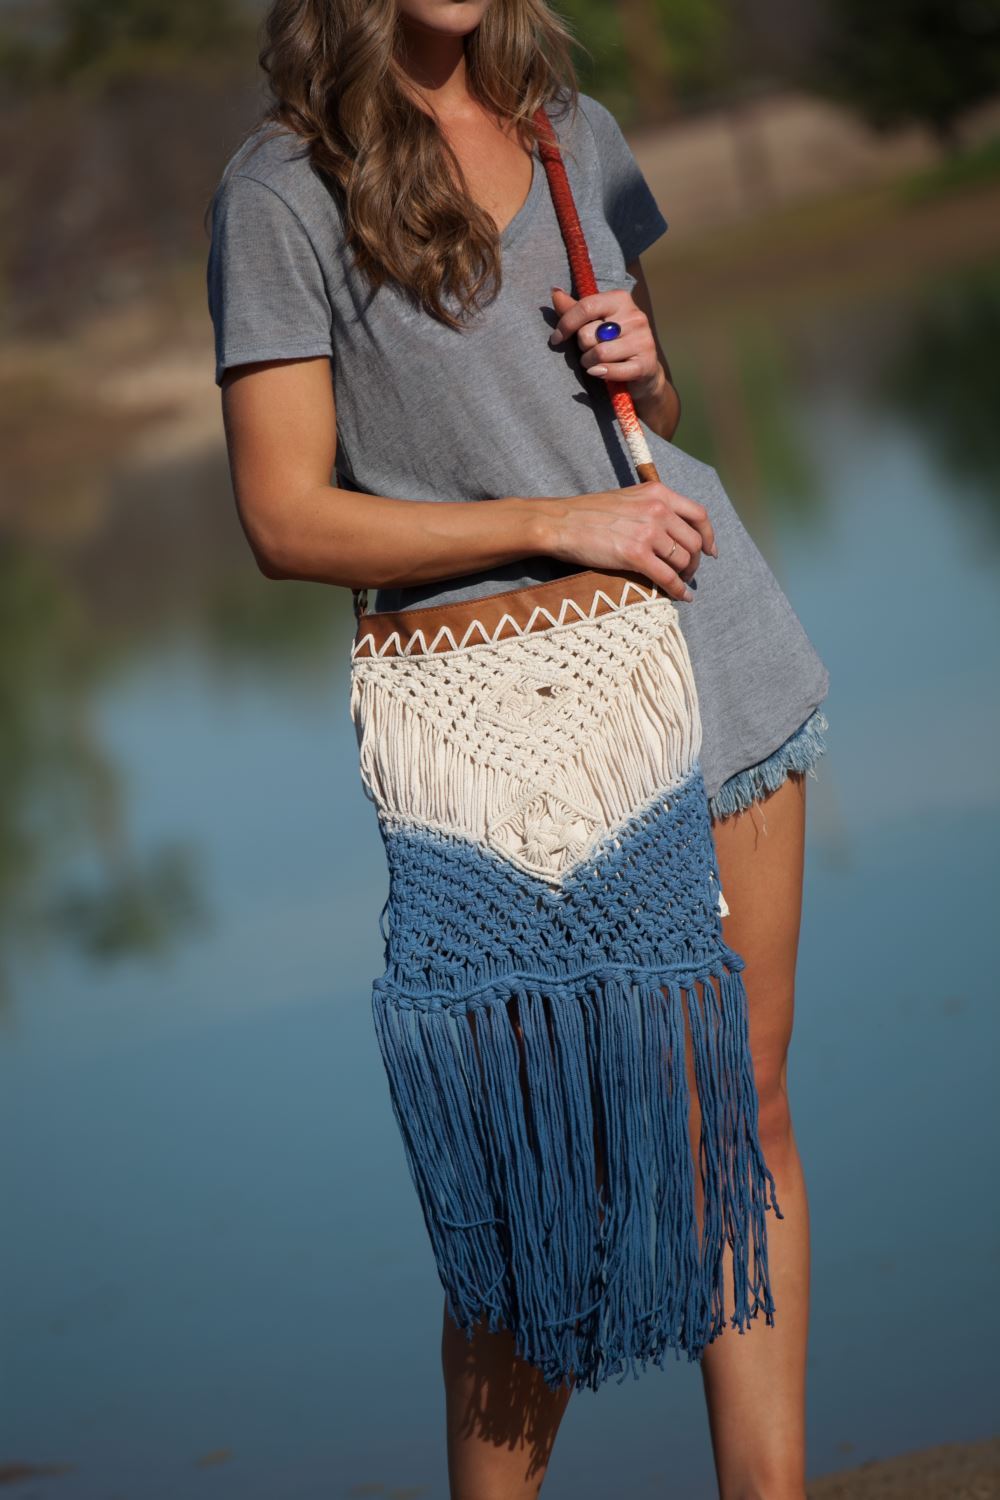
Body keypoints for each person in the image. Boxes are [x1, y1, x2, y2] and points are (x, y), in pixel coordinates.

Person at [207, 2, 829, 1496]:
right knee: (526, 1168)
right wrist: (558, 525)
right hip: (504, 724)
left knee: (738, 1113)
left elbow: (640, 420)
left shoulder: (577, 136)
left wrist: (646, 366)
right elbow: (287, 518)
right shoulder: (283, 189)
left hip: (710, 658)